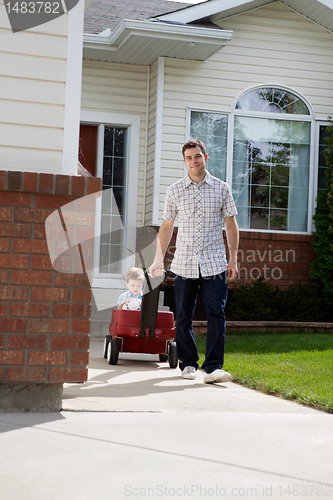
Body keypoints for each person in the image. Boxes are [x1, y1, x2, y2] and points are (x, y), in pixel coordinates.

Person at [149, 139, 239, 383]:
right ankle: (188, 364)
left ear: (205, 157)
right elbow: (167, 227)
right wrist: (159, 258)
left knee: (216, 313)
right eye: (188, 157)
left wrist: (233, 259)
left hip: (215, 262)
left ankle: (213, 368)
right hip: (184, 262)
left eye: (197, 156)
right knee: (183, 315)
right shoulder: (174, 191)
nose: (193, 161)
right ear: (184, 161)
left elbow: (231, 224)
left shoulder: (222, 188)